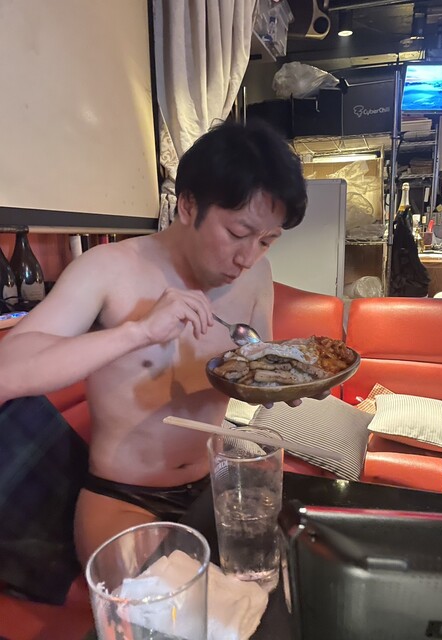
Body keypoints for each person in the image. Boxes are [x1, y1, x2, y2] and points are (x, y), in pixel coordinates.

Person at [0, 120, 307, 566]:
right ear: (188, 205)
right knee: (167, 603)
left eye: (267, 240)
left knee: (288, 581)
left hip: (215, 485)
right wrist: (137, 332)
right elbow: (6, 369)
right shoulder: (107, 269)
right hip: (125, 499)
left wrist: (289, 381)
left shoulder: (257, 274)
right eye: (238, 234)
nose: (248, 257)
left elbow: (256, 365)